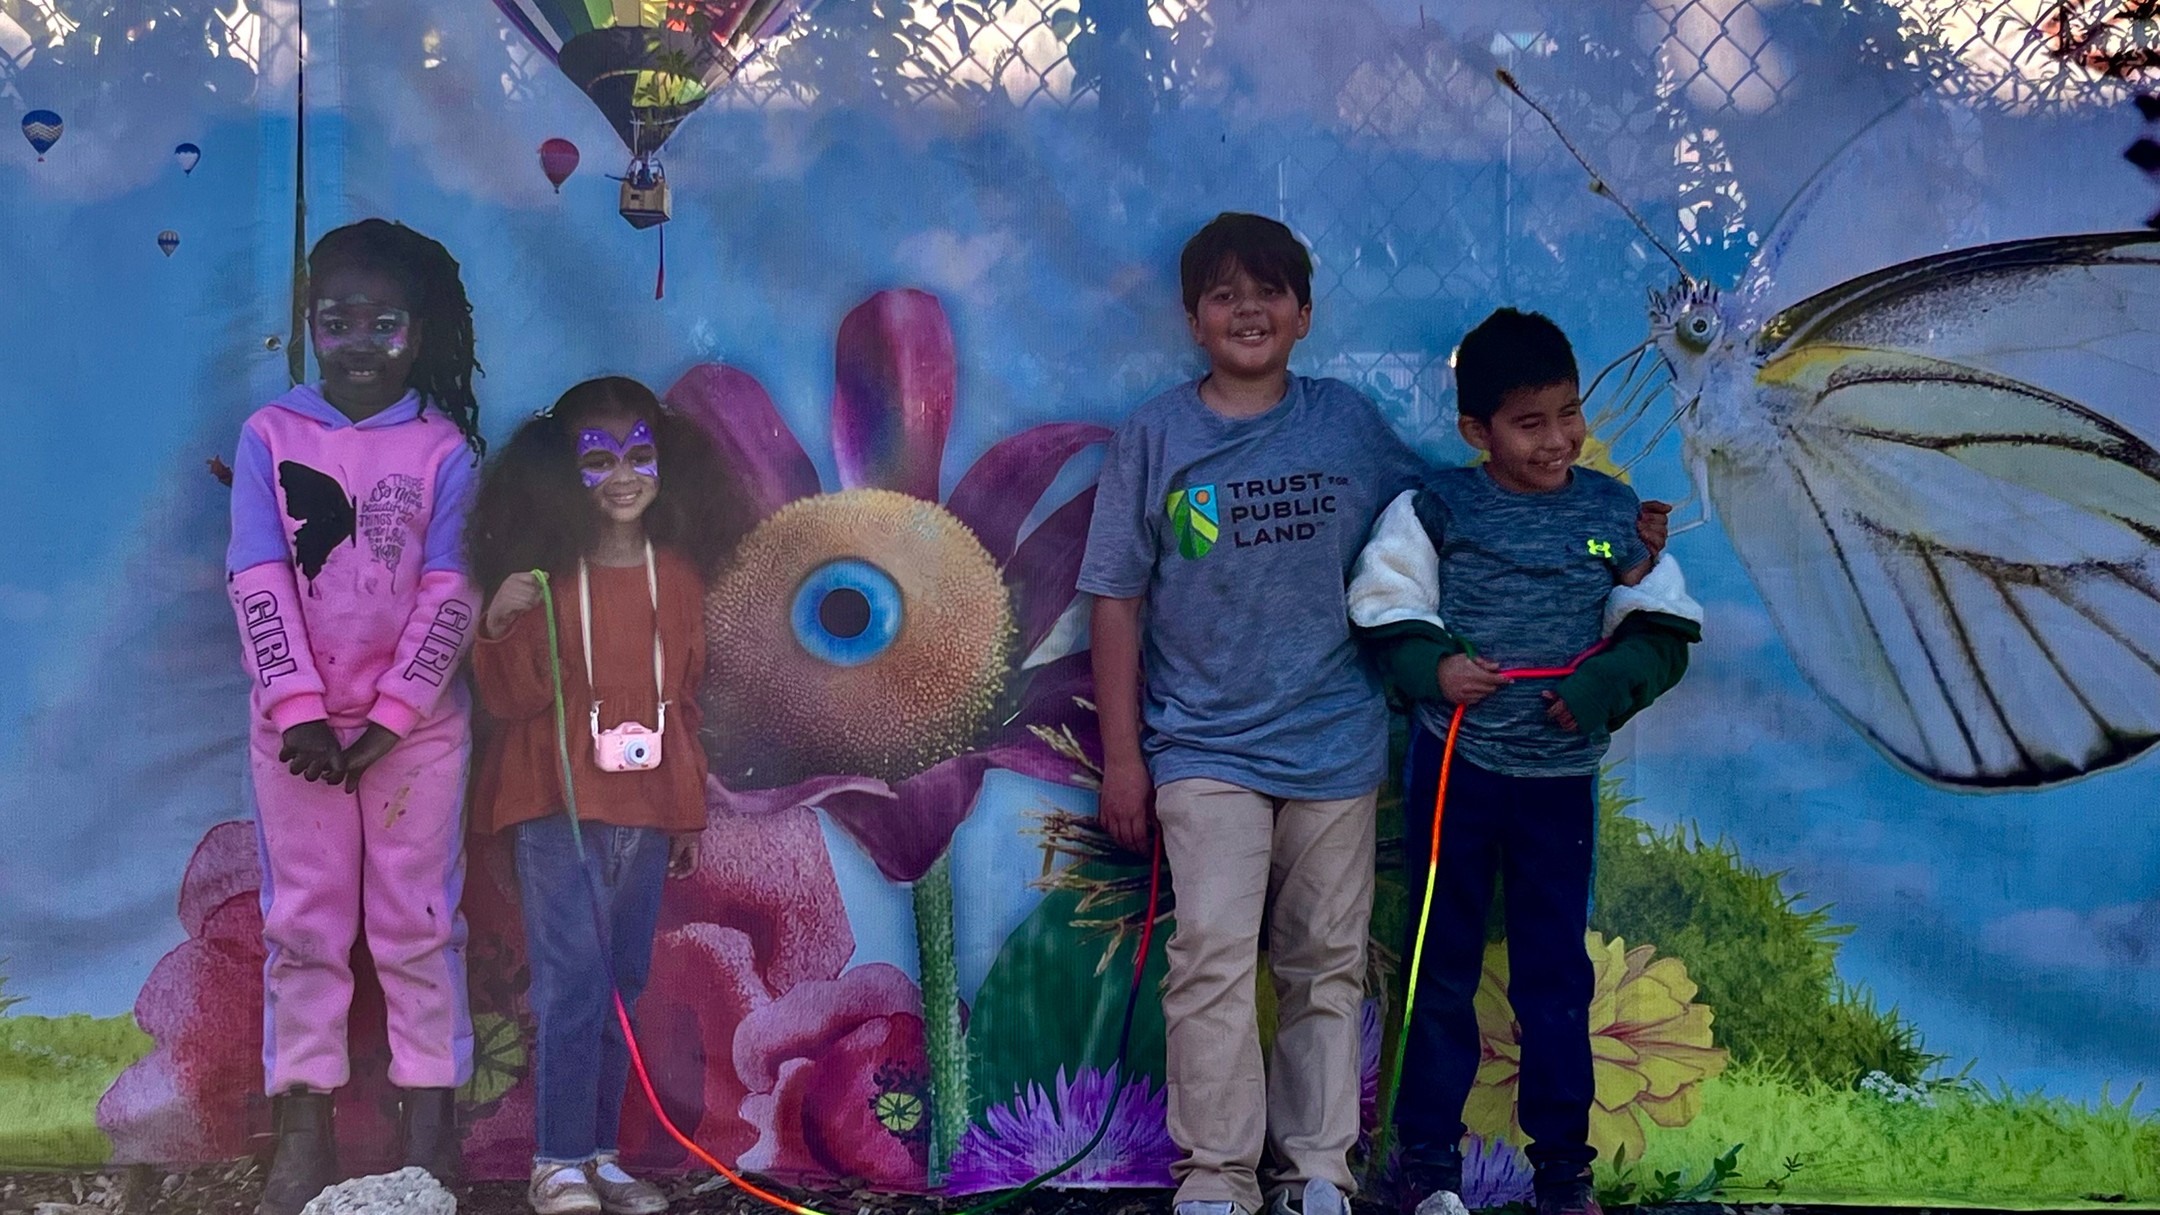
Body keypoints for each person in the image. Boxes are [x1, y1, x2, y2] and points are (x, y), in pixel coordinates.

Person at [1077, 212, 1431, 1215]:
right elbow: (1117, 601)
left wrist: (1578, 531)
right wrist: (1123, 760)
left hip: (1335, 743)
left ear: (1305, 314)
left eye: (1269, 291)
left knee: (1326, 965)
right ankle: (1218, 1178)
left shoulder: (1347, 426)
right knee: (1214, 962)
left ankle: (1318, 1170)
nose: (1248, 310)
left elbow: (1433, 524)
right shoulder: (1156, 437)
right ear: (1193, 317)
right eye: (1225, 294)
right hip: (1202, 749)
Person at [1347, 309, 1702, 1215]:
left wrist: (1601, 686)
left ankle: (1563, 1173)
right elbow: (1384, 604)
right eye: (1529, 422)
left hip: (1558, 787)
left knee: (1555, 977)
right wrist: (1435, 667)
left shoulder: (1614, 514)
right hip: (1454, 776)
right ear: (1477, 432)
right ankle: (1426, 1165)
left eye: (1568, 414)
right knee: (1443, 967)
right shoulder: (1435, 507)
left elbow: (1663, 632)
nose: (1557, 439)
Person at [225, 219, 487, 1215]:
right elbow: (257, 575)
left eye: (384, 324)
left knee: (418, 924)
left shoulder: (442, 450)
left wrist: (389, 715)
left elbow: (452, 587)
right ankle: (303, 1130)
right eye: (337, 322)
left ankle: (431, 1134)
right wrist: (298, 710)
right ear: (307, 326)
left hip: (412, 738)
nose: (361, 343)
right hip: (294, 739)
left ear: (417, 334)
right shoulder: (269, 439)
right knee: (305, 926)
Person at [466, 377, 749, 1215]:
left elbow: (685, 702)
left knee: (622, 984)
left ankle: (597, 1152)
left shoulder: (681, 578)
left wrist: (686, 808)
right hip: (557, 806)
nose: (622, 473)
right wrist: (499, 623)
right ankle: (553, 1160)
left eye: (638, 452)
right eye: (597, 458)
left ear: (666, 463)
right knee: (572, 983)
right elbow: (513, 700)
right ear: (564, 472)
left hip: (648, 812)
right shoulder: (547, 579)